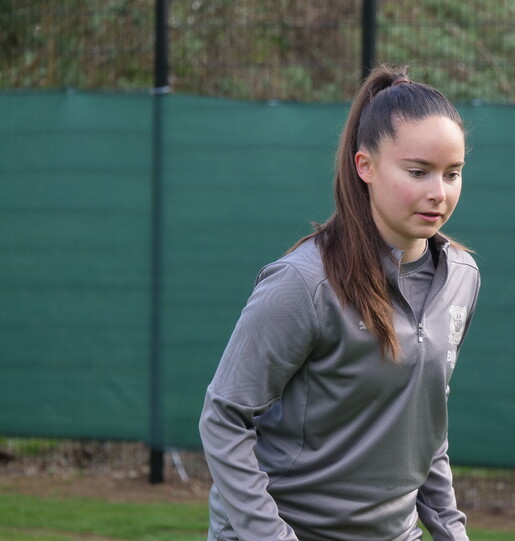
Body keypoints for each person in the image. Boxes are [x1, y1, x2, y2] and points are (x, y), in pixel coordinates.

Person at [199, 65, 481, 541]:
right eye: (418, 172)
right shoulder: (303, 283)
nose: (439, 192)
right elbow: (223, 418)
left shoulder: (462, 278)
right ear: (364, 166)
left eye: (452, 173)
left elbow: (425, 425)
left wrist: (451, 531)